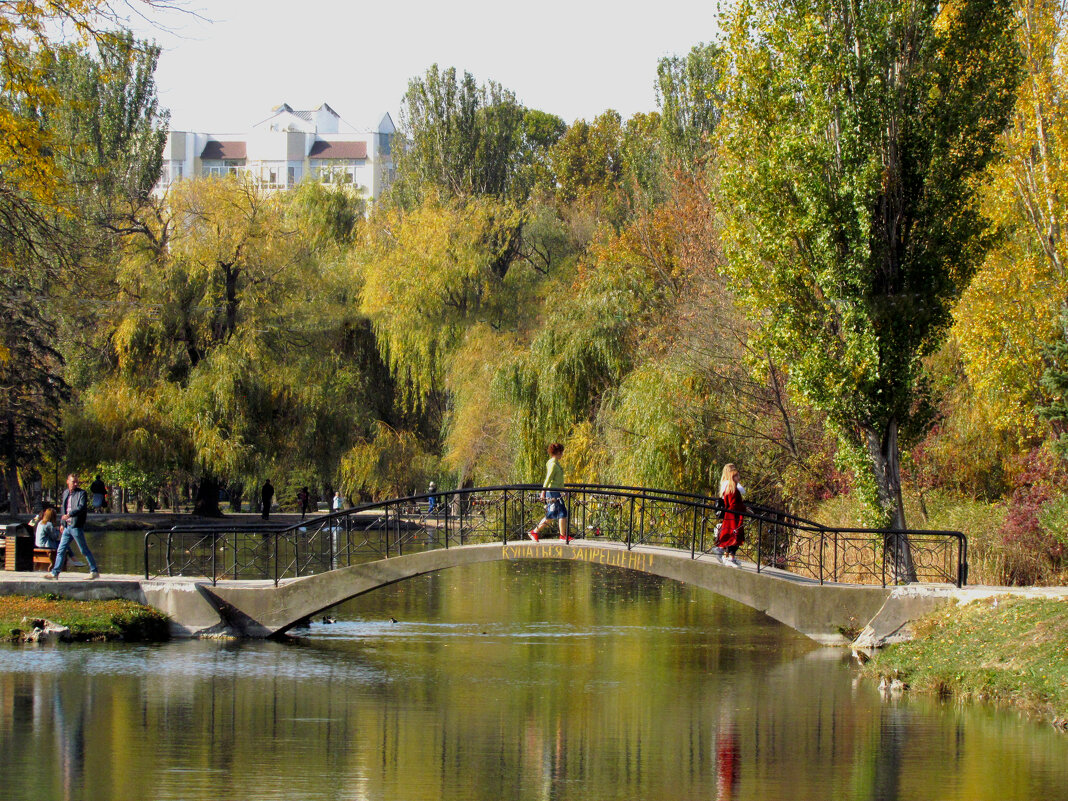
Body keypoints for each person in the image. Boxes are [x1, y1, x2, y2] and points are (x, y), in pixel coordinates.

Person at [45, 474, 100, 580]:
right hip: (67, 527)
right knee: (61, 549)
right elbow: (63, 509)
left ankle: (94, 571)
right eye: (73, 482)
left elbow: (81, 507)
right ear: (68, 482)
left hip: (75, 526)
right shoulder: (65, 493)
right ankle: (55, 573)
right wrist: (62, 522)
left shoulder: (81, 493)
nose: (75, 484)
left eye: (76, 482)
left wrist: (70, 514)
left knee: (83, 549)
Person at [528, 443, 569, 543]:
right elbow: (548, 479)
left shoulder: (555, 463)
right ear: (558, 452)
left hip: (556, 492)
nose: (562, 454)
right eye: (561, 452)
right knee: (554, 515)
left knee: (560, 513)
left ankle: (562, 536)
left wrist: (563, 491)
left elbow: (557, 480)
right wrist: (543, 492)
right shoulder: (553, 465)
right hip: (552, 492)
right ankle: (534, 531)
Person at [715, 463, 746, 567]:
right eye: (737, 476)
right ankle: (727, 556)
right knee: (733, 536)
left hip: (732, 516)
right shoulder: (731, 489)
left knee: (732, 536)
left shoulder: (731, 488)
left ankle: (729, 556)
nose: (739, 477)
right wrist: (744, 508)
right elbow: (733, 504)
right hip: (733, 517)